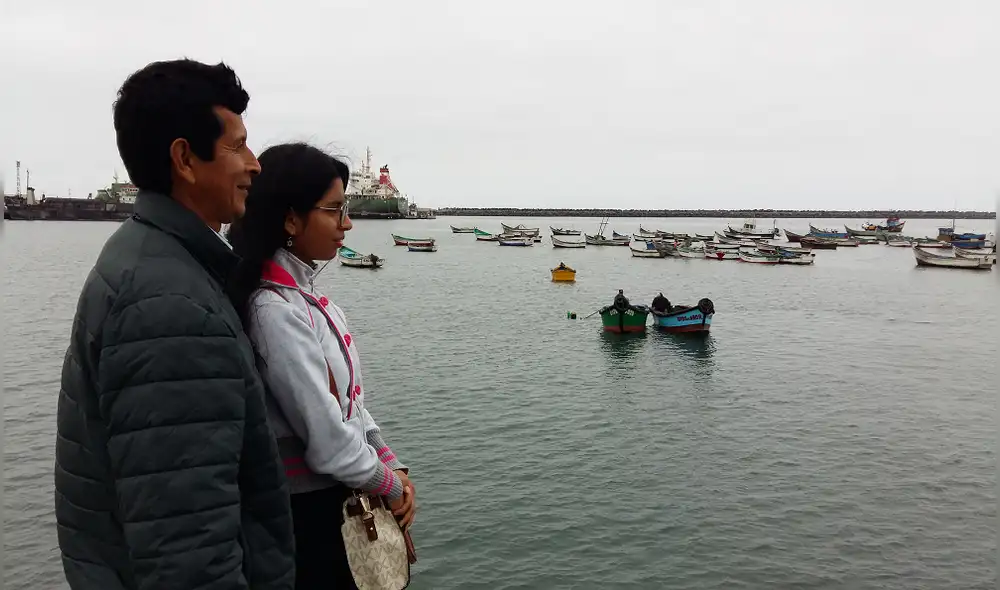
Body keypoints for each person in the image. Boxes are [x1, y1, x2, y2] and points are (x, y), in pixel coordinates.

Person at [54, 59, 295, 589]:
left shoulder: (147, 260)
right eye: (237, 146)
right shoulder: (170, 307)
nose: (255, 165)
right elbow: (188, 551)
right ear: (185, 159)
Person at [226, 143, 416, 589]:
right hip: (313, 519)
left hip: (331, 504)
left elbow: (352, 407)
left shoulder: (306, 302)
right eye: (334, 210)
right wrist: (391, 487)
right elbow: (329, 442)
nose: (347, 223)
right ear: (291, 219)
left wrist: (393, 464)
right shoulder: (274, 311)